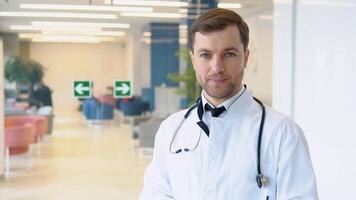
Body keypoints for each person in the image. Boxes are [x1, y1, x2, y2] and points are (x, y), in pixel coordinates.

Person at [140, 8, 318, 200]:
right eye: (205, 55)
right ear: (193, 60)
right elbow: (155, 193)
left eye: (229, 54)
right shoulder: (172, 129)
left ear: (246, 57)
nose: (217, 67)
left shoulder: (282, 132)